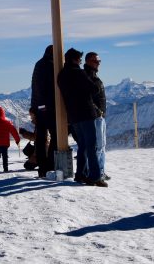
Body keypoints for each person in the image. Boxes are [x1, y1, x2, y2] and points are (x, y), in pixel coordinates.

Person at [56, 49, 106, 187]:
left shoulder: (61, 75)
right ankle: (95, 176)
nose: (80, 61)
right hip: (86, 112)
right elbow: (94, 89)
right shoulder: (78, 73)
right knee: (91, 145)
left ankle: (80, 174)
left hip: (73, 115)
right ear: (74, 59)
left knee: (82, 146)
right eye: (79, 59)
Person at [29, 45, 57, 176]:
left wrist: (34, 107)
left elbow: (35, 88)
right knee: (55, 136)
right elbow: (48, 88)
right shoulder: (51, 65)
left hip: (39, 107)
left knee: (40, 138)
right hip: (48, 107)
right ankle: (49, 165)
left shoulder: (39, 64)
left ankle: (42, 167)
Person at [84, 51, 108, 180]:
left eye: (99, 61)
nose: (98, 63)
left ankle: (101, 171)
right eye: (95, 61)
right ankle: (94, 172)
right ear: (87, 61)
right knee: (97, 146)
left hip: (100, 116)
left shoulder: (93, 76)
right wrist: (97, 111)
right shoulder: (87, 76)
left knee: (102, 145)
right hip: (94, 117)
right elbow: (86, 97)